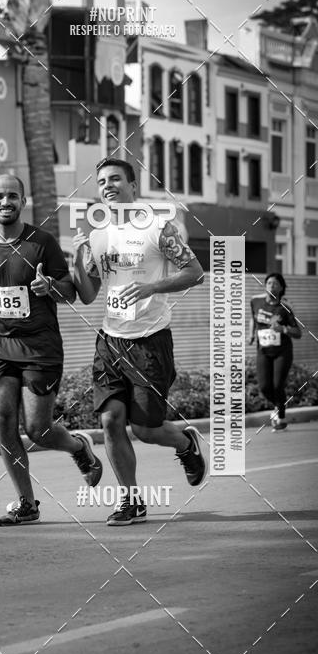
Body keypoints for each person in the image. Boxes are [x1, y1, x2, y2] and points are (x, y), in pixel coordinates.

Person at [0, 172, 102, 526]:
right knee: (4, 423)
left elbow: (71, 293)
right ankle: (27, 503)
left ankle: (78, 448)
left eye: (12, 196)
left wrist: (49, 285)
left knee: (38, 429)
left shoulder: (43, 243)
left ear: (23, 202)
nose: (5, 202)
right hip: (0, 345)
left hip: (40, 348)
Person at [72, 157, 206, 527]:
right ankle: (131, 500)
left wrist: (152, 286)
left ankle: (184, 443)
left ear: (133, 185)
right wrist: (76, 264)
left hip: (150, 340)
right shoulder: (98, 237)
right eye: (101, 182)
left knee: (146, 429)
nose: (108, 186)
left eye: (116, 179)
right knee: (110, 421)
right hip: (110, 340)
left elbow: (195, 272)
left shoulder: (158, 228)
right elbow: (88, 294)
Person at [249, 272, 301, 431]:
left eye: (276, 283)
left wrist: (283, 328)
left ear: (281, 288)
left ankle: (281, 418)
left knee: (278, 385)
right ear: (265, 285)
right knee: (265, 387)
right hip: (263, 351)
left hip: (282, 352)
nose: (272, 285)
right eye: (269, 283)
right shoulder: (255, 301)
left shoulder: (286, 307)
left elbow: (298, 333)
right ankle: (278, 408)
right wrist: (250, 334)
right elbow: (253, 318)